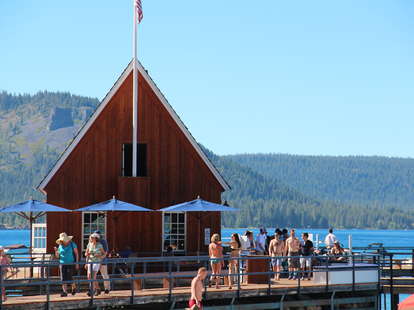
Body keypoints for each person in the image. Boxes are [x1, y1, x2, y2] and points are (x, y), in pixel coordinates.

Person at [54, 232, 79, 297]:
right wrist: (56, 252)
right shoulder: (60, 246)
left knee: (69, 277)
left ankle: (73, 287)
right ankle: (65, 292)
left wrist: (77, 263)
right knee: (63, 278)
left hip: (70, 263)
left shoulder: (72, 244)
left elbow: (76, 254)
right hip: (62, 263)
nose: (63, 241)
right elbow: (57, 256)